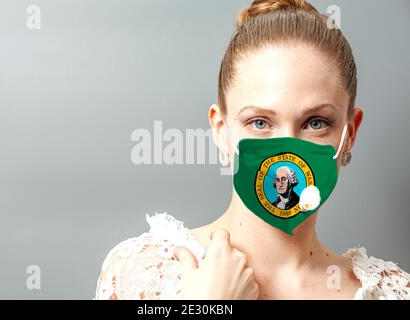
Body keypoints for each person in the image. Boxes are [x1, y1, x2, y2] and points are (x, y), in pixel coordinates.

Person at [94, 0, 410, 300]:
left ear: (349, 133)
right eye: (260, 123)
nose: (287, 157)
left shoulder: (391, 291)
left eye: (315, 123)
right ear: (221, 130)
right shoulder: (143, 274)